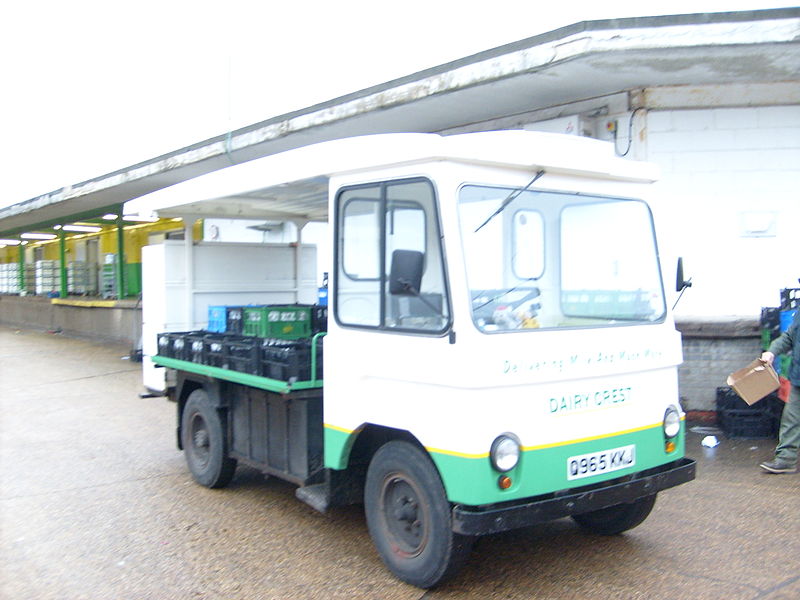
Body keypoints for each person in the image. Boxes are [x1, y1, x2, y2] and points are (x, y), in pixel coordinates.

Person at [759, 308, 800, 473]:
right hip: (798, 378)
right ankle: (786, 460)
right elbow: (790, 336)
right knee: (791, 418)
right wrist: (771, 351)